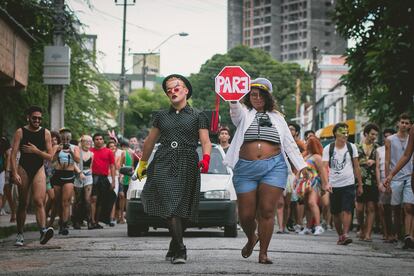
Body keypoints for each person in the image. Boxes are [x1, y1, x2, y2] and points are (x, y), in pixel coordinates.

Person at [224, 78, 309, 264]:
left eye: (261, 95)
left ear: (268, 97)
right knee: (246, 215)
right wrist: (232, 100)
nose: (257, 98)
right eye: (253, 94)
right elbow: (235, 112)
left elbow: (289, 143)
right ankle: (251, 238)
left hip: (274, 167)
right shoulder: (244, 113)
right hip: (245, 168)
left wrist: (302, 166)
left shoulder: (278, 118)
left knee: (267, 211)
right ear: (248, 97)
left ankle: (263, 253)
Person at [133, 74, 211, 264]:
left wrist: (206, 158)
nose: (172, 91)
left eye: (176, 87)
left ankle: (174, 244)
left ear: (186, 91)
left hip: (188, 161)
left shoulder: (198, 115)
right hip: (164, 160)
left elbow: (206, 141)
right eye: (168, 89)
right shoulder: (161, 116)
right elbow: (150, 142)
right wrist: (142, 164)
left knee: (182, 208)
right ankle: (181, 250)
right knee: (170, 204)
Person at [10, 106, 54, 246]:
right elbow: (13, 154)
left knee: (38, 201)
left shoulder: (45, 133)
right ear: (28, 117)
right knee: (23, 202)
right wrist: (14, 172)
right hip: (23, 168)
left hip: (38, 168)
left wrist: (36, 151)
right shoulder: (20, 132)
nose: (37, 120)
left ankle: (43, 231)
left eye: (39, 118)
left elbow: (50, 156)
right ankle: (20, 234)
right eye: (34, 118)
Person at [322, 122, 363, 245]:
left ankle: (345, 234)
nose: (345, 134)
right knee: (335, 212)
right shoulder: (328, 148)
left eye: (347, 132)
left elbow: (356, 167)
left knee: (347, 209)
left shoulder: (352, 147)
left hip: (348, 183)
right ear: (335, 133)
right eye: (342, 132)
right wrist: (326, 183)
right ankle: (340, 235)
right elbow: (324, 168)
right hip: (334, 185)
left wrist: (360, 184)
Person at [384, 113, 413, 249]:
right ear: (398, 123)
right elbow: (387, 160)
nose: (404, 125)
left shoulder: (411, 136)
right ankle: (396, 233)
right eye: (402, 122)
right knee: (395, 208)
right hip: (396, 177)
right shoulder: (390, 139)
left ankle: (408, 236)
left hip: (410, 175)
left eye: (407, 123)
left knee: (408, 206)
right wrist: (388, 176)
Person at [50, 128, 80, 235]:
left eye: (67, 138)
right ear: (60, 138)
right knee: (58, 201)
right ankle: (60, 222)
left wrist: (71, 151)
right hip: (58, 174)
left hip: (69, 175)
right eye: (63, 138)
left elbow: (78, 160)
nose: (65, 140)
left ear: (70, 138)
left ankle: (64, 225)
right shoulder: (56, 147)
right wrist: (57, 152)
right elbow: (51, 160)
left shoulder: (75, 147)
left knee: (66, 202)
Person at [296, 137, 329, 236]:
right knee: (307, 205)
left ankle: (318, 226)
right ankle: (308, 227)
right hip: (304, 183)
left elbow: (322, 171)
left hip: (314, 182)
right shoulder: (306, 155)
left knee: (312, 202)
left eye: (308, 142)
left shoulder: (317, 157)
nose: (306, 143)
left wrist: (325, 184)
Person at [355, 123, 380, 242]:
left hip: (373, 181)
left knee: (371, 207)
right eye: (372, 134)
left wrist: (374, 162)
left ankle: (368, 234)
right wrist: (364, 162)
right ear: (366, 134)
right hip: (359, 181)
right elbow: (353, 163)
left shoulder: (378, 148)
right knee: (359, 209)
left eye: (376, 134)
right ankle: (362, 228)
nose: (374, 136)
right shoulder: (356, 146)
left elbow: (380, 164)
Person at [90, 133, 116, 229]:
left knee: (104, 200)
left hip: (104, 178)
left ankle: (97, 221)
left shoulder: (108, 152)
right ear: (94, 141)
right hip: (92, 177)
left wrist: (113, 181)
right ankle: (91, 221)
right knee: (93, 199)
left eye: (100, 139)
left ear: (103, 141)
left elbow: (112, 166)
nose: (99, 141)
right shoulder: (90, 151)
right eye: (96, 139)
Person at [376, 128, 396, 242]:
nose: (387, 138)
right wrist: (379, 182)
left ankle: (396, 234)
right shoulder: (380, 150)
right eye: (385, 136)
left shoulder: (398, 149)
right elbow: (378, 168)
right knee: (384, 208)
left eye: (389, 136)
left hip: (396, 180)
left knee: (397, 208)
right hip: (384, 182)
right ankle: (386, 233)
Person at [72, 135, 94, 229]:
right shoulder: (77, 151)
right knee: (78, 200)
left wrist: (88, 174)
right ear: (82, 142)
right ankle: (76, 221)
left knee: (87, 199)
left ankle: (89, 221)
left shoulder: (92, 154)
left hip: (88, 175)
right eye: (86, 141)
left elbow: (91, 166)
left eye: (90, 141)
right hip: (78, 175)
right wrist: (79, 172)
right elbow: (73, 163)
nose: (88, 143)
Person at [118, 139, 133, 223]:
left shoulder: (123, 152)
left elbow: (120, 165)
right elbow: (131, 166)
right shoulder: (131, 153)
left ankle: (121, 218)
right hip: (129, 175)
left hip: (123, 175)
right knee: (127, 197)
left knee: (122, 197)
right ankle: (127, 216)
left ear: (122, 146)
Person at [0, 136, 11, 217]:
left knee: (3, 191)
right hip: (2, 170)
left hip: (1, 170)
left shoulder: (4, 140)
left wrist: (7, 170)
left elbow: (8, 155)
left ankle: (2, 208)